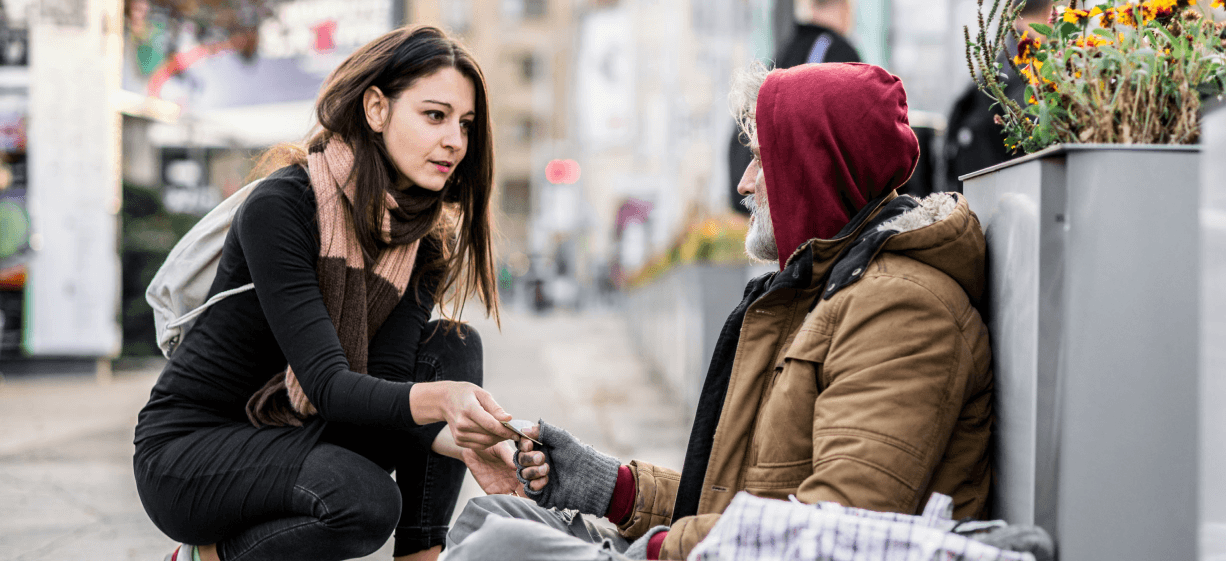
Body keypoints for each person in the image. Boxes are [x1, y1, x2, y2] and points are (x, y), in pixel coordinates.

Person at [446, 62, 994, 560]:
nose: (744, 183)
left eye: (761, 158)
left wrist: (659, 549)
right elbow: (737, 500)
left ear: (813, 165)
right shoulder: (827, 291)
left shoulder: (901, 309)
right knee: (491, 516)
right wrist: (609, 485)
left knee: (497, 547)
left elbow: (837, 526)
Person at [133, 26, 524, 561]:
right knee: (363, 500)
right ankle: (204, 558)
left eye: (466, 124)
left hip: (303, 436)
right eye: (435, 115)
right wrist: (446, 403)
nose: (456, 140)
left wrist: (475, 441)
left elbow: (382, 388)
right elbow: (330, 386)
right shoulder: (283, 207)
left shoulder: (422, 242)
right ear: (376, 109)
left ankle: (421, 555)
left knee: (452, 347)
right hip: (192, 453)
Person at [727, 0, 861, 214]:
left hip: (757, 195)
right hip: (799, 205)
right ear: (846, 8)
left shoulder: (789, 48)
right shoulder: (837, 52)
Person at [942, 0, 1054, 192]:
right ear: (1050, 13)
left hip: (976, 196)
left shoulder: (995, 68)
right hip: (1016, 196)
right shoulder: (1035, 69)